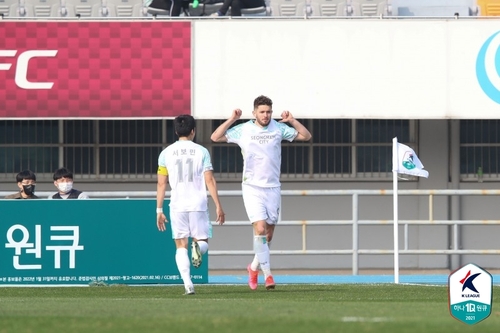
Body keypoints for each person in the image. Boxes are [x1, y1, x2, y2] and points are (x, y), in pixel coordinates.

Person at [210, 95, 312, 290]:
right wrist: (232, 119)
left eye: (268, 112)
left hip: (272, 187)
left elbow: (306, 136)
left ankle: (253, 267)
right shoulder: (244, 129)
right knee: (259, 229)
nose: (266, 115)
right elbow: (215, 137)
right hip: (252, 187)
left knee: (269, 234)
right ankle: (268, 275)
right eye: (262, 112)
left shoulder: (278, 128)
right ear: (254, 112)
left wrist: (292, 120)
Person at [156, 114, 225, 295]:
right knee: (202, 242)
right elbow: (209, 180)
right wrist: (218, 204)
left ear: (176, 131)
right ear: (193, 131)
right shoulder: (202, 151)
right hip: (198, 203)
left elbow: (161, 183)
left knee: (180, 246)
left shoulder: (165, 153)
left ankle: (188, 284)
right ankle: (198, 249)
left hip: (177, 205)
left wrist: (159, 210)